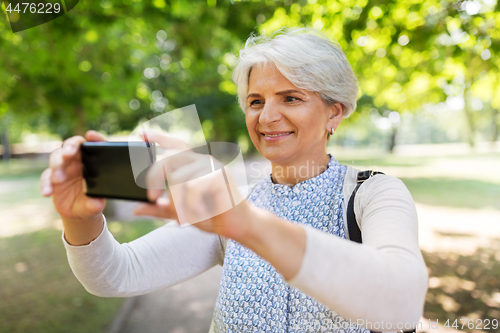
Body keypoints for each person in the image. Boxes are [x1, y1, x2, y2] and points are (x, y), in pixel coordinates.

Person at [40, 28, 428, 332]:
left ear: (334, 113)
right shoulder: (233, 199)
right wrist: (79, 218)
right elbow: (116, 275)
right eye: (256, 101)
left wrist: (246, 223)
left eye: (290, 98)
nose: (267, 116)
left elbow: (402, 303)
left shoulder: (374, 194)